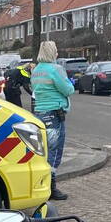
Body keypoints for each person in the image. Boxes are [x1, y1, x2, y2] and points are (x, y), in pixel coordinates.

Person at [31, 41, 74, 201]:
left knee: (44, 151)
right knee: (55, 151)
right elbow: (68, 89)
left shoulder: (36, 71)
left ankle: (43, 184)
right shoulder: (56, 69)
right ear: (51, 53)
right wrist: (69, 82)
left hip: (40, 113)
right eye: (55, 51)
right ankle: (51, 187)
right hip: (54, 114)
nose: (57, 53)